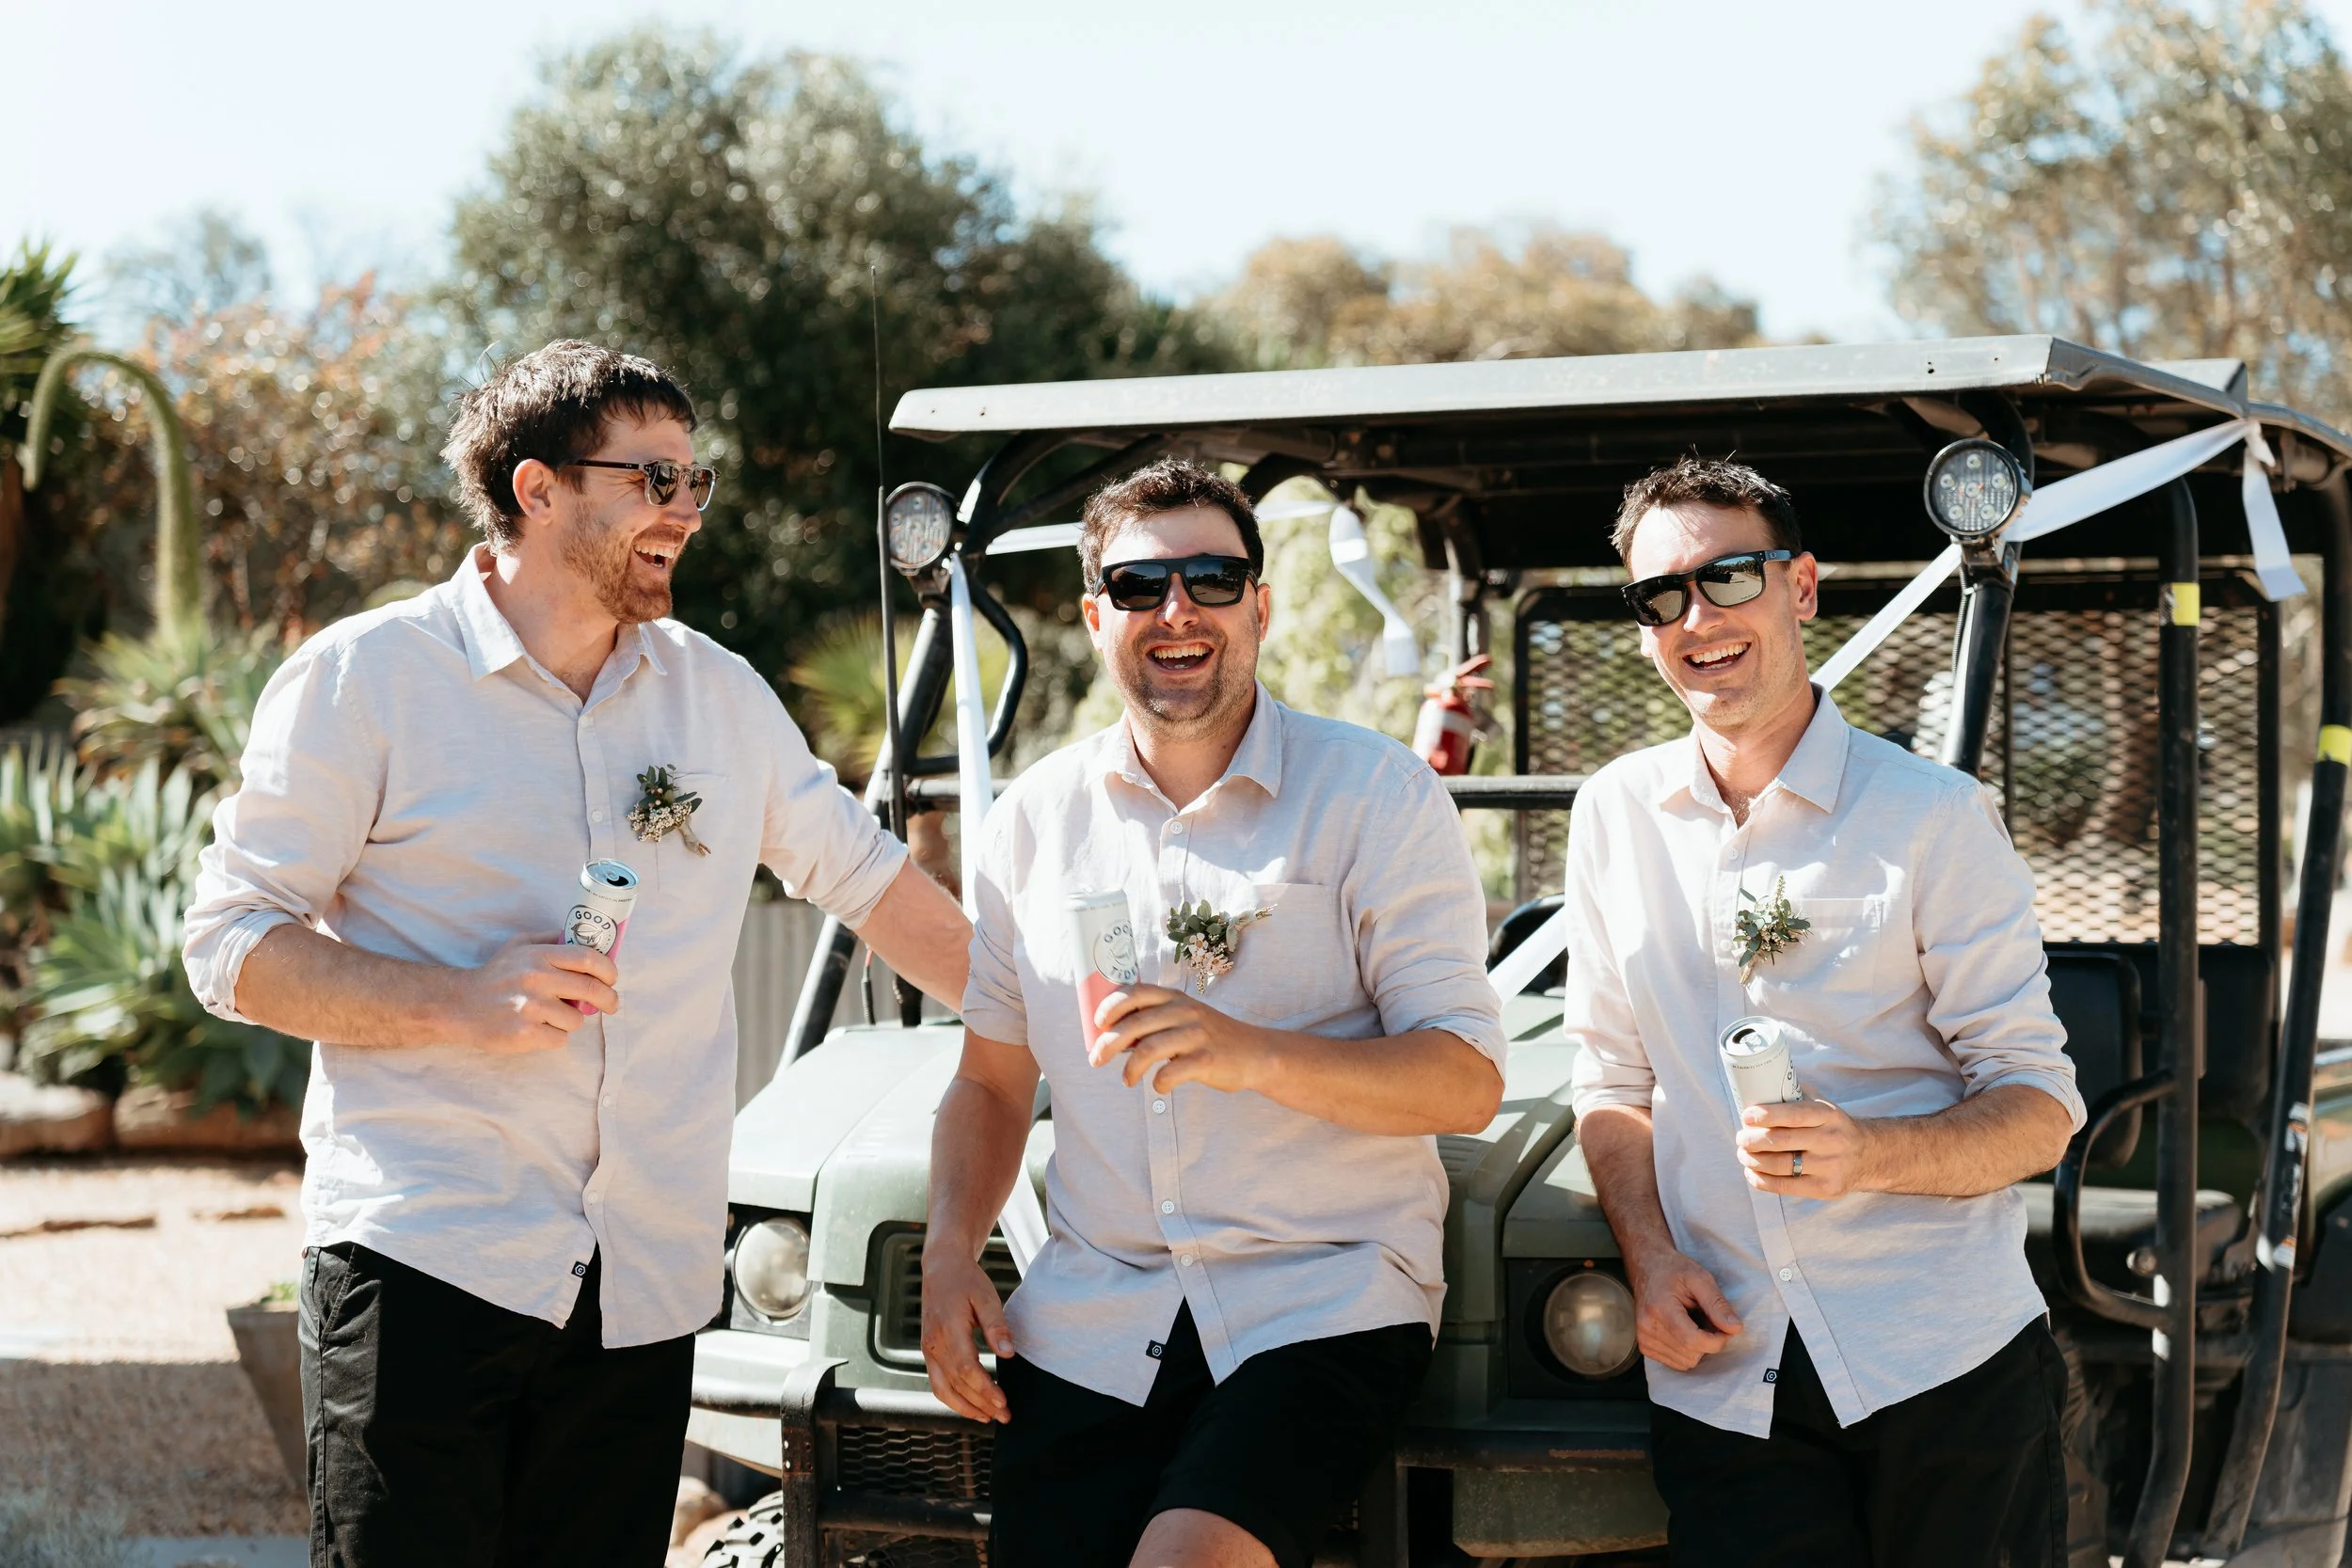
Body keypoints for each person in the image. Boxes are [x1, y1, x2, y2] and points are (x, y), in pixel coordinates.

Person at [182, 341, 971, 1568]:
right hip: (423, 1255)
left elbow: (876, 887)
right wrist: (458, 1000)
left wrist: (1068, 1035)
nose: (684, 511)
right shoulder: (364, 679)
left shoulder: (718, 695)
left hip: (641, 1286)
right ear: (536, 488)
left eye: (693, 482)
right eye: (651, 479)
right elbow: (230, 944)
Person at [919, 457, 1506, 1568]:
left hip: (1322, 1295)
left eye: (1212, 578)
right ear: (1096, 618)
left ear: (1261, 606)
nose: (1177, 609)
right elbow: (990, 1081)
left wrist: (1249, 1054)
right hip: (1097, 1316)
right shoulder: (1033, 821)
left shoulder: (1377, 793)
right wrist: (949, 1253)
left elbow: (1465, 1079)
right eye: (1140, 585)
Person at [1563, 455, 2085, 1567]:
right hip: (1726, 1372)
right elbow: (1610, 1081)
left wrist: (1868, 1152)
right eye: (1662, 595)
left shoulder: (1934, 816)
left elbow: (2039, 1106)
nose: (1696, 617)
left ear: (1799, 586)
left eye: (1728, 577)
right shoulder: (1613, 813)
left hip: (1940, 1360)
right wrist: (1649, 1258)